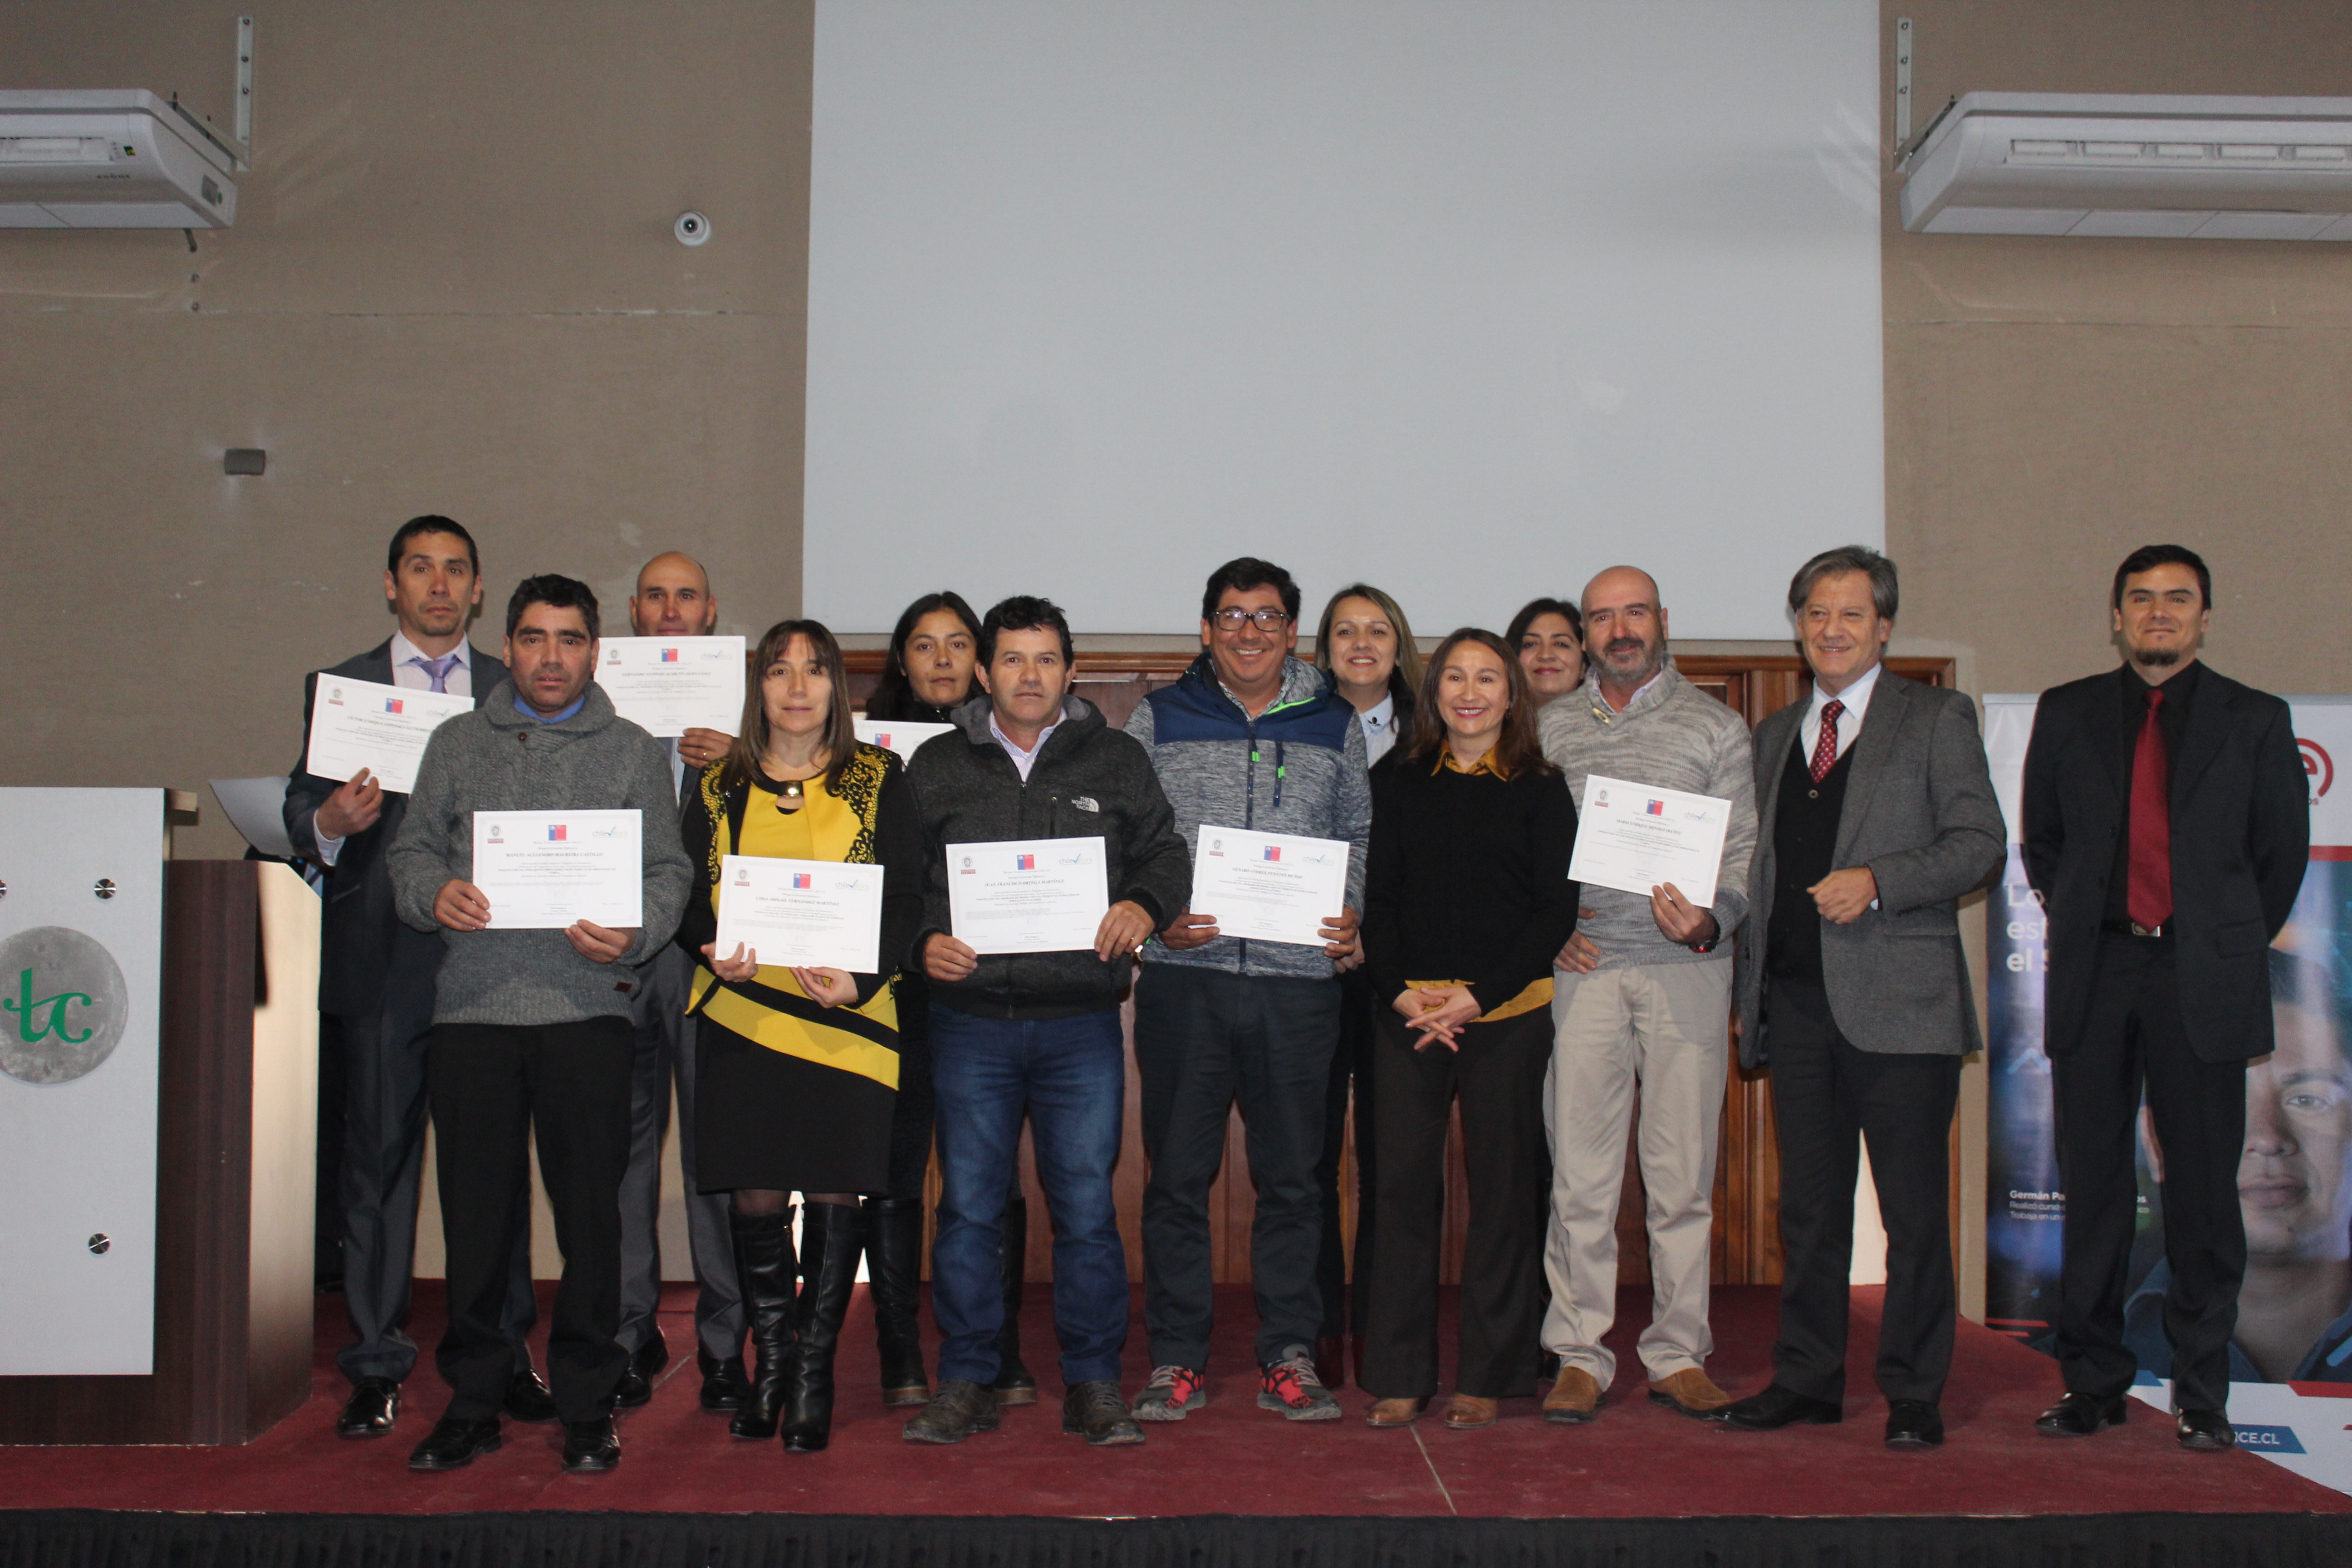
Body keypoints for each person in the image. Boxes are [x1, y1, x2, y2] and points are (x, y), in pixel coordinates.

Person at [386, 574, 692, 1474]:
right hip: (474, 1012)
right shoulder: (453, 744)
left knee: (593, 1221)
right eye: (532, 639)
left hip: (590, 1012)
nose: (549, 656)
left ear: (594, 651)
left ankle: (589, 1404)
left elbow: (670, 873)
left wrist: (635, 931)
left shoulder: (634, 752)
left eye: (567, 640)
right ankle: (476, 1398)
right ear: (507, 645)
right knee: (478, 1220)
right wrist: (430, 891)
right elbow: (409, 853)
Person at [2022, 544, 2308, 1451]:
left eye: (2177, 600)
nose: (2158, 613)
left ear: (2205, 618)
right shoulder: (2066, 713)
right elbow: (2044, 843)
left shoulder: (2256, 720)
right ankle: (2094, 1384)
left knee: (2202, 1199)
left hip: (2203, 979)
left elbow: (2279, 858)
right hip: (2099, 974)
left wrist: (2214, 938)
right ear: (2116, 616)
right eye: (2141, 599)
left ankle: (2202, 1393)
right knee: (2099, 1191)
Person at [1719, 547, 2004, 1449]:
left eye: (1851, 615)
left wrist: (1878, 880)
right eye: (1816, 614)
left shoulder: (1936, 717)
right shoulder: (1772, 737)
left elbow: (1978, 843)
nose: (1832, 630)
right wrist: (1744, 984)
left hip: (1902, 1007)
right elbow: (1760, 877)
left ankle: (1914, 1391)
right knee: (1807, 1211)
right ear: (1797, 626)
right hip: (1796, 1007)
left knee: (1914, 1213)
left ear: (1883, 627)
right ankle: (1807, 1379)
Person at [899, 595, 1192, 1447]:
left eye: (1045, 660)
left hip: (1079, 1027)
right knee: (967, 1213)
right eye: (1012, 660)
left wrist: (1142, 902)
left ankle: (1094, 1383)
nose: (1029, 676)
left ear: (1070, 673)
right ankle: (965, 1378)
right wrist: (923, 941)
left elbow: (1164, 852)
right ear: (984, 672)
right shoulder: (936, 766)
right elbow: (903, 880)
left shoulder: (1114, 758)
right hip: (968, 1023)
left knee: (1087, 1212)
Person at [282, 515, 548, 1442]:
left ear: (479, 591)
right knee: (377, 1167)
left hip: (494, 960)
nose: (439, 586)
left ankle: (505, 1353)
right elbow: (293, 811)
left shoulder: (512, 687)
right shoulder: (343, 690)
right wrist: (331, 820)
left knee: (494, 1169)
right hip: (386, 965)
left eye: (457, 572)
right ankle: (376, 1362)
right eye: (421, 570)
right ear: (390, 585)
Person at [1123, 558, 1370, 1422]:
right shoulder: (1162, 714)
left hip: (1298, 987)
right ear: (1205, 629)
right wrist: (1157, 916)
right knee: (1176, 1182)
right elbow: (1133, 833)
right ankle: (1177, 1360)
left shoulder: (1333, 720)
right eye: (1230, 616)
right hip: (1185, 979)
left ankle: (1288, 1354)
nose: (1248, 631)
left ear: (1291, 634)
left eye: (1266, 617)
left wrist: (1351, 913)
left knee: (1295, 1181)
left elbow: (1358, 833)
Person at [676, 619, 924, 1453]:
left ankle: (813, 1372)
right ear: (760, 688)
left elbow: (907, 896)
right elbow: (686, 897)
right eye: (778, 671)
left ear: (838, 690)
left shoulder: (879, 776)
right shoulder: (717, 783)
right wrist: (709, 946)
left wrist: (865, 977)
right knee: (752, 1192)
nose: (795, 686)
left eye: (813, 671)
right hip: (743, 1012)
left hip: (845, 1014)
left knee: (831, 1189)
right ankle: (771, 1363)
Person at [1537, 565, 1758, 1424]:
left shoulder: (1714, 726)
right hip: (1582, 973)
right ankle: (1579, 1355)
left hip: (1687, 972)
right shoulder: (1548, 727)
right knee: (1578, 1177)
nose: (1618, 629)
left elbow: (1739, 853)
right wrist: (1542, 930)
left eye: (1633, 613)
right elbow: (1525, 857)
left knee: (1679, 1179)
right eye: (1601, 618)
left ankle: (1675, 1352)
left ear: (1662, 620)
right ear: (1584, 632)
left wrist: (1711, 920)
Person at [1358, 628, 1580, 1429]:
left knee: (1503, 1194)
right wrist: (1398, 993)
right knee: (1400, 1192)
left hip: (1505, 1014)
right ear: (1433, 693)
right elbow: (1374, 902)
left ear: (1510, 695)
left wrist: (1477, 996)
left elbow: (1552, 910)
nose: (1469, 691)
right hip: (1408, 1016)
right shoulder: (1397, 780)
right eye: (1454, 676)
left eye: (1488, 677)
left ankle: (1491, 1371)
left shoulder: (1538, 786)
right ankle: (1397, 1371)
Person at [863, 590, 1044, 1412]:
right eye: (922, 644)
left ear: (979, 661)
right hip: (888, 988)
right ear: (899, 659)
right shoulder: (859, 752)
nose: (939, 659)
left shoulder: (1000, 750)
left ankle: (996, 1344)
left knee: (987, 1176)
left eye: (956, 644)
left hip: (981, 994)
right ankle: (899, 1348)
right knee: (897, 1169)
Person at [612, 551, 746, 1413]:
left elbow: (798, 805)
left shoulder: (751, 710)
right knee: (622, 1157)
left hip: (711, 955)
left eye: (686, 596)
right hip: (619, 953)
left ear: (710, 612)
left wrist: (738, 762)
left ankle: (727, 1341)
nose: (670, 610)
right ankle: (628, 1334)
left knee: (718, 1154)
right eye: (655, 597)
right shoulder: (599, 704)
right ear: (635, 614)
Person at [2124, 949, 2352, 1385]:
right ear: (2156, 1142)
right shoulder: (2067, 1372)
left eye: (2309, 1100)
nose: (2268, 1140)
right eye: (2222, 1100)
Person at [1309, 583, 1424, 1384]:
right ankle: (1315, 1326)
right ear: (1322, 648)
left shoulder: (1437, 728)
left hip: (1404, 978)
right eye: (1343, 630)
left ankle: (1382, 1325)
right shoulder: (1298, 725)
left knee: (1392, 1157)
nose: (1359, 642)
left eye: (1375, 629)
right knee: (1309, 1156)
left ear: (1398, 644)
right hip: (1312, 966)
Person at [1505, 598, 1586, 711]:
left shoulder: (1613, 727)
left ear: (1584, 666)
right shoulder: (1488, 726)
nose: (1546, 655)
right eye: (1531, 644)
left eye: (1560, 644)